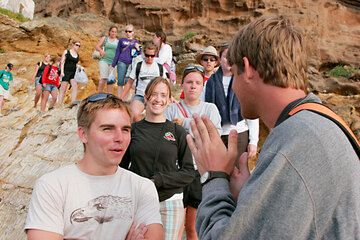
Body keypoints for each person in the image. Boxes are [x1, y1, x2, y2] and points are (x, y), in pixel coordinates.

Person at [186, 15, 360, 239]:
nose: (235, 89)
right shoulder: (317, 123)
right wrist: (250, 195)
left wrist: (213, 177)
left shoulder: (297, 141)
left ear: (247, 69)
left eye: (235, 73)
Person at [25, 93, 164, 239]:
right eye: (107, 129)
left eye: (125, 129)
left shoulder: (143, 188)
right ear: (83, 134)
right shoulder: (52, 186)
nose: (120, 138)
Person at [121, 77, 195, 240]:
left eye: (163, 95)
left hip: (170, 201)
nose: (158, 99)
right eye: (154, 94)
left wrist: (158, 180)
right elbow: (121, 168)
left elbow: (189, 172)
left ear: (169, 100)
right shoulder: (132, 130)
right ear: (146, 97)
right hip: (139, 201)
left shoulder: (178, 132)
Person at [165, 65, 221, 240]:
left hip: (199, 170)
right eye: (189, 82)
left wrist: (183, 123)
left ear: (203, 86)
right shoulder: (171, 109)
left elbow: (214, 133)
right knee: (175, 226)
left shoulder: (210, 108)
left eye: (197, 82)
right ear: (182, 85)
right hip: (177, 170)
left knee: (193, 226)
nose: (193, 86)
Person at [205, 44, 259, 160]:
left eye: (232, 56)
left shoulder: (243, 81)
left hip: (240, 133)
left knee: (239, 171)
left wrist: (253, 141)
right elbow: (203, 109)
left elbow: (252, 112)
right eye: (225, 57)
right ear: (219, 59)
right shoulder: (209, 83)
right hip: (217, 134)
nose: (229, 60)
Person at [120, 42, 168, 122]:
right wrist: (121, 98)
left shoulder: (159, 67)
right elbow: (129, 83)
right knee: (134, 114)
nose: (149, 58)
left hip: (155, 97)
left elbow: (166, 84)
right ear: (144, 54)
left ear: (155, 55)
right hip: (140, 96)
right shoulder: (138, 65)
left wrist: (169, 97)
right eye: (147, 55)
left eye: (152, 56)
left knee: (157, 117)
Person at [112, 24, 140, 98]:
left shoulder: (136, 41)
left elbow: (139, 54)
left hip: (131, 63)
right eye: (126, 31)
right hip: (122, 61)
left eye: (130, 31)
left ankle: (125, 99)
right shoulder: (121, 40)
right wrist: (113, 64)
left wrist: (138, 48)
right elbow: (117, 51)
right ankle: (120, 99)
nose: (128, 33)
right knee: (120, 81)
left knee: (129, 82)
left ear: (133, 32)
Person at [96, 26, 119, 93]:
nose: (113, 33)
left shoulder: (118, 41)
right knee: (103, 78)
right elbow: (97, 46)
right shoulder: (105, 38)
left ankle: (109, 97)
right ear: (109, 32)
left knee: (110, 80)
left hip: (113, 63)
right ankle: (99, 94)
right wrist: (101, 50)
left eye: (115, 32)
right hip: (104, 60)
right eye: (112, 31)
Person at [58, 39, 80, 105]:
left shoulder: (77, 55)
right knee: (63, 89)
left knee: (75, 86)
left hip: (73, 73)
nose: (78, 46)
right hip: (66, 72)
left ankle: (73, 102)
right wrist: (62, 72)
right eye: (77, 45)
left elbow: (74, 64)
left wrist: (79, 66)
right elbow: (62, 62)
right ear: (73, 45)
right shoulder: (66, 52)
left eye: (79, 46)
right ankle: (59, 104)